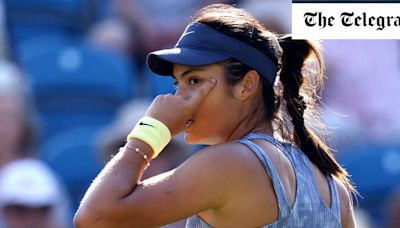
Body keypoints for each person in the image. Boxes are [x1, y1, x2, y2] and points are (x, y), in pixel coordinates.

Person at [74, 4, 356, 228]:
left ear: (246, 85)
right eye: (177, 84)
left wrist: (149, 132)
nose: (178, 99)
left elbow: (95, 218)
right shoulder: (333, 186)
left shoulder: (229, 162)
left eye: (194, 81)